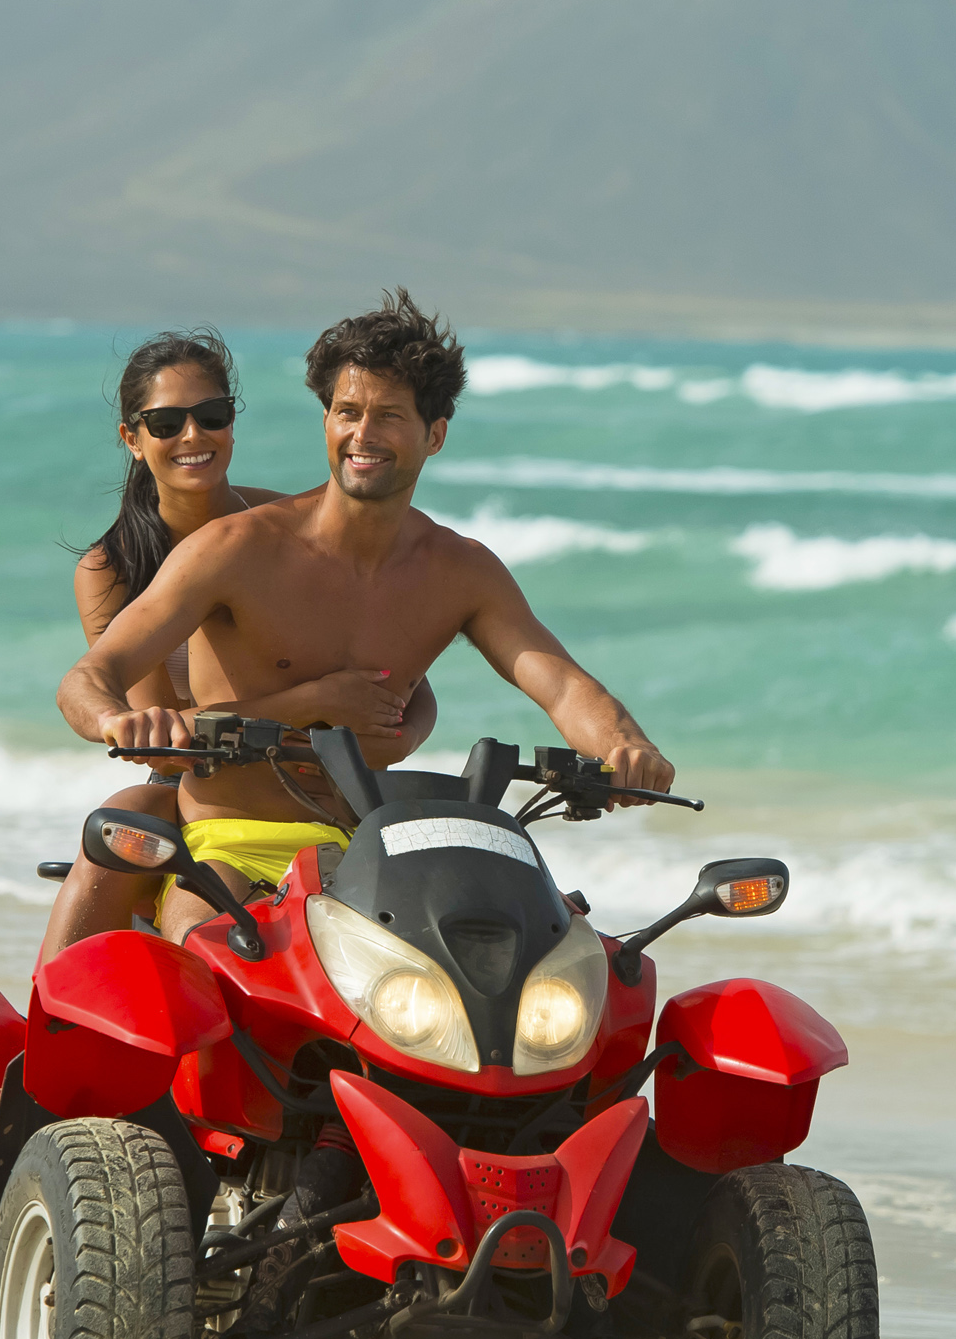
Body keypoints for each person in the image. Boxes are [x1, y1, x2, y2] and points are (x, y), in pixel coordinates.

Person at [57, 290, 671, 948]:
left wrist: (623, 746)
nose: (362, 434)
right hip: (233, 842)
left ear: (434, 433)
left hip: (379, 853)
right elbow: (90, 678)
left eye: (388, 416)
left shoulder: (460, 570)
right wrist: (118, 719)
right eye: (346, 411)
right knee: (205, 957)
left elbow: (561, 683)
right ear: (324, 420)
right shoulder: (234, 547)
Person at [37, 328, 433, 964]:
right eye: (165, 423)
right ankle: (48, 1024)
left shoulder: (286, 528)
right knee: (125, 810)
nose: (192, 437)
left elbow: (400, 672)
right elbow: (163, 751)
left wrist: (404, 733)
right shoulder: (111, 570)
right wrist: (313, 702)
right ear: (132, 440)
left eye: (211, 416)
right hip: (207, 787)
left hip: (323, 786)